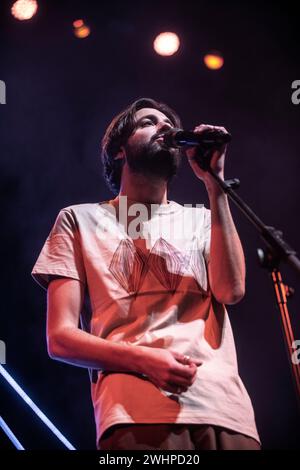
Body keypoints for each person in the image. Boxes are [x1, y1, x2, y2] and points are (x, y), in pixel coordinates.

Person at [32, 98, 260, 450]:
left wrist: (216, 185)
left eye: (169, 123)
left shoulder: (203, 218)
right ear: (120, 150)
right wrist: (144, 360)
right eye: (149, 122)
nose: (164, 127)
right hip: (136, 413)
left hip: (226, 412)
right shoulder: (78, 220)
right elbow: (60, 338)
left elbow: (231, 291)